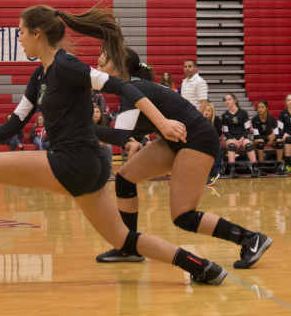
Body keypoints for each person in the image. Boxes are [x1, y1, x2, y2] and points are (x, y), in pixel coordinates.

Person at [0, 4, 227, 285]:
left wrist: (161, 123)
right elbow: (15, 123)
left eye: (20, 32)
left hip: (75, 160)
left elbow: (123, 86)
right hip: (85, 165)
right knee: (124, 238)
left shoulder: (68, 65)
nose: (18, 38)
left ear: (37, 33)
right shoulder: (40, 76)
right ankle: (201, 266)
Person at [93, 48, 272, 269]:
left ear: (119, 67)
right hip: (178, 139)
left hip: (198, 139)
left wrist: (79, 128)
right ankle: (128, 247)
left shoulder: (134, 88)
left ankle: (250, 238)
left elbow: (120, 136)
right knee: (125, 178)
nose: (99, 64)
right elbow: (130, 133)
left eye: (104, 60)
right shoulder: (134, 87)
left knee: (183, 216)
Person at [222, 93, 260, 178]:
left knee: (249, 145)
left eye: (229, 99)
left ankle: (255, 169)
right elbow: (226, 132)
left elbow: (247, 129)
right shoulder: (225, 115)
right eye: (226, 100)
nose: (227, 101)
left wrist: (241, 139)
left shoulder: (243, 113)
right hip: (231, 138)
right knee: (231, 145)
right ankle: (232, 170)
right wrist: (234, 140)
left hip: (242, 138)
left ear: (234, 100)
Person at [252, 100, 285, 175]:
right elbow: (256, 135)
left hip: (268, 140)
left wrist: (274, 137)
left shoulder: (272, 118)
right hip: (258, 140)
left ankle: (279, 166)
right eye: (259, 107)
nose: (260, 109)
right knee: (261, 142)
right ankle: (261, 166)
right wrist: (267, 136)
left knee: (279, 142)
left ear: (267, 108)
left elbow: (276, 134)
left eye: (262, 107)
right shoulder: (254, 119)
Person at [204, 102, 224, 185]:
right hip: (204, 141)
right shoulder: (201, 120)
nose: (206, 112)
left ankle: (218, 169)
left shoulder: (217, 120)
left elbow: (219, 133)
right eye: (205, 111)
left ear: (212, 112)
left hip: (214, 140)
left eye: (208, 110)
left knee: (218, 147)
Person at [93, 105, 114, 178]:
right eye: (93, 112)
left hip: (101, 143)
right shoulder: (86, 124)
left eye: (97, 112)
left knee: (107, 146)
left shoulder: (105, 123)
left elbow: (108, 137)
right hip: (89, 144)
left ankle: (109, 170)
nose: (95, 114)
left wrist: (104, 141)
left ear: (101, 114)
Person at [278, 94, 291, 174]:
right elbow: (279, 129)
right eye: (288, 100)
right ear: (286, 102)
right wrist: (284, 134)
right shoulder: (283, 113)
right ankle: (288, 166)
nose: (290, 102)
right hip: (286, 137)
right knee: (288, 139)